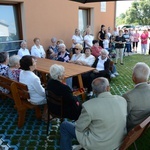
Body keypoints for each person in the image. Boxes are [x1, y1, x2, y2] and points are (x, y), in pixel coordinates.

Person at [60, 77, 127, 150]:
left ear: (94, 91)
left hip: (98, 145)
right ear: (108, 88)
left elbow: (79, 127)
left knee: (65, 125)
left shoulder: (88, 105)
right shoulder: (122, 100)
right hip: (118, 142)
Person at [122, 62, 150, 132]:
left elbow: (122, 116)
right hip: (145, 122)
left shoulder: (128, 96)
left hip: (132, 127)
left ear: (133, 77)